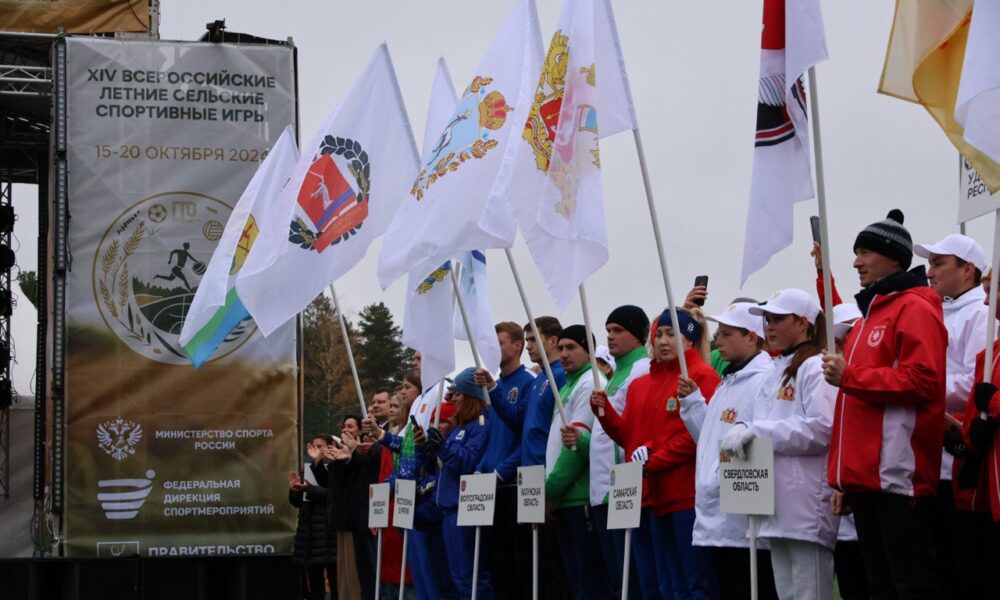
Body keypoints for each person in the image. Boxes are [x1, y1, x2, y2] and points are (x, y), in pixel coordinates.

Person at [822, 209, 947, 599]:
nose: (856, 262)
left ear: (894, 257)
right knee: (880, 584)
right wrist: (845, 478)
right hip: (869, 478)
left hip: (898, 473)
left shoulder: (915, 307)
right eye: (855, 253)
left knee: (910, 583)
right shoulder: (866, 318)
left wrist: (851, 377)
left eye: (865, 252)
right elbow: (854, 412)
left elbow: (924, 380)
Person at [594, 307, 720, 600]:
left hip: (684, 495)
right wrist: (604, 413)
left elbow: (698, 437)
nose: (663, 341)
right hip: (647, 495)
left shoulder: (700, 376)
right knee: (659, 585)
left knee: (691, 582)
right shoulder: (641, 384)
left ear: (689, 341)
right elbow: (629, 437)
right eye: (659, 334)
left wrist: (654, 462)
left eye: (671, 334)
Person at [722, 290, 838, 600]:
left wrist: (757, 431)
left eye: (777, 319)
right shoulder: (776, 370)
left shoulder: (816, 366)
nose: (769, 326)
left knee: (809, 591)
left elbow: (822, 428)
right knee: (786, 593)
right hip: (773, 503)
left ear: (802, 323)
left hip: (805, 502)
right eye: (767, 319)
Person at [678, 302, 777, 600]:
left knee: (754, 589)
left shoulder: (764, 380)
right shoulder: (728, 382)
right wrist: (694, 405)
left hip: (744, 523)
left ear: (751, 337)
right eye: (719, 333)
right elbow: (708, 442)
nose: (718, 341)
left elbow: (759, 444)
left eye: (727, 333)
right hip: (716, 518)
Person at [913, 233, 989, 596]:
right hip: (925, 458)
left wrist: (917, 385)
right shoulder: (935, 311)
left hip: (956, 462)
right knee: (932, 569)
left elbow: (979, 382)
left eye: (939, 263)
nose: (930, 272)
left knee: (959, 569)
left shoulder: (981, 315)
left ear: (967, 269)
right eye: (930, 263)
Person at [588, 305, 651, 599]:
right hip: (603, 489)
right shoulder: (617, 373)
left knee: (631, 577)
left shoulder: (641, 369)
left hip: (624, 487)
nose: (611, 337)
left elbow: (632, 428)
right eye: (608, 330)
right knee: (616, 576)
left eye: (619, 330)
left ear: (639, 335)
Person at [547, 325, 612, 600]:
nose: (563, 354)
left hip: (578, 496)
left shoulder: (590, 382)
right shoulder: (569, 385)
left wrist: (549, 492)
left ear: (589, 351)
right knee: (575, 581)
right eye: (560, 348)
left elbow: (575, 445)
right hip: (565, 498)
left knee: (590, 582)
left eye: (571, 347)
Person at [418, 367, 493, 599]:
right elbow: (440, 464)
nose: (455, 399)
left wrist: (443, 446)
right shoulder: (460, 427)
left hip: (465, 511)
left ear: (471, 395)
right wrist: (427, 447)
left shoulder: (480, 424)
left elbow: (468, 462)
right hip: (449, 511)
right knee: (457, 578)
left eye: (459, 394)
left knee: (469, 578)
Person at [474, 322, 535, 600]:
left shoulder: (527, 383)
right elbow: (493, 436)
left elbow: (527, 436)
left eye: (499, 342)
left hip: (513, 487)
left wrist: (501, 471)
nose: (493, 348)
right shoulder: (494, 388)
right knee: (495, 567)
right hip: (490, 489)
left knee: (518, 567)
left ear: (517, 345)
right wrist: (481, 468)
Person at [951, 267, 1000, 597]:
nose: (986, 300)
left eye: (993, 290)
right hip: (990, 496)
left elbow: (991, 402)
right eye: (985, 289)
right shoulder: (990, 354)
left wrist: (994, 403)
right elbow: (972, 418)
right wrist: (968, 437)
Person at [518, 317, 570, 600]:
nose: (528, 346)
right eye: (525, 340)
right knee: (537, 561)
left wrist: (550, 481)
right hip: (529, 474)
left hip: (544, 473)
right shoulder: (540, 376)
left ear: (552, 340)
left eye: (531, 339)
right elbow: (523, 422)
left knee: (554, 562)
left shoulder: (559, 375)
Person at [325, 416, 381, 600]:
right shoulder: (346, 451)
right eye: (344, 426)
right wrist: (324, 463)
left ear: (359, 430)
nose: (346, 429)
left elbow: (367, 474)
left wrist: (353, 454)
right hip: (349, 518)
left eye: (351, 426)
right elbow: (332, 484)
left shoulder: (368, 447)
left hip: (367, 515)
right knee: (357, 572)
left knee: (369, 572)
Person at [290, 435, 339, 600]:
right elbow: (298, 502)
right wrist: (295, 490)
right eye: (314, 447)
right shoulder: (308, 468)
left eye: (320, 447)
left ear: (330, 446)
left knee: (335, 580)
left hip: (328, 533)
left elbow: (334, 496)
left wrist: (310, 490)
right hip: (310, 534)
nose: (316, 451)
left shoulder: (337, 467)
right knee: (315, 583)